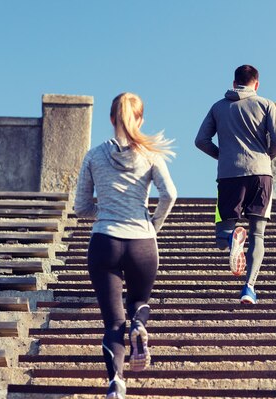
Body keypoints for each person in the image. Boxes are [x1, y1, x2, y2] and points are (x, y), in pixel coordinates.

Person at [74, 92, 177, 399]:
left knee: (113, 321)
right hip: (142, 242)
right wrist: (151, 225)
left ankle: (116, 381)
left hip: (105, 241)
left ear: (110, 119)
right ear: (140, 119)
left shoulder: (93, 155)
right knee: (139, 303)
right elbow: (170, 194)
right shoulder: (151, 155)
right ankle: (140, 327)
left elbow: (80, 207)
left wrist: (104, 212)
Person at [194, 64, 276, 305]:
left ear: (234, 83)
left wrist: (222, 156)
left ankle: (231, 236)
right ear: (256, 84)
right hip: (261, 175)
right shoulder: (266, 104)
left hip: (228, 177)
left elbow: (201, 140)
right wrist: (267, 156)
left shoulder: (218, 107)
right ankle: (249, 289)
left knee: (221, 235)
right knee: (257, 234)